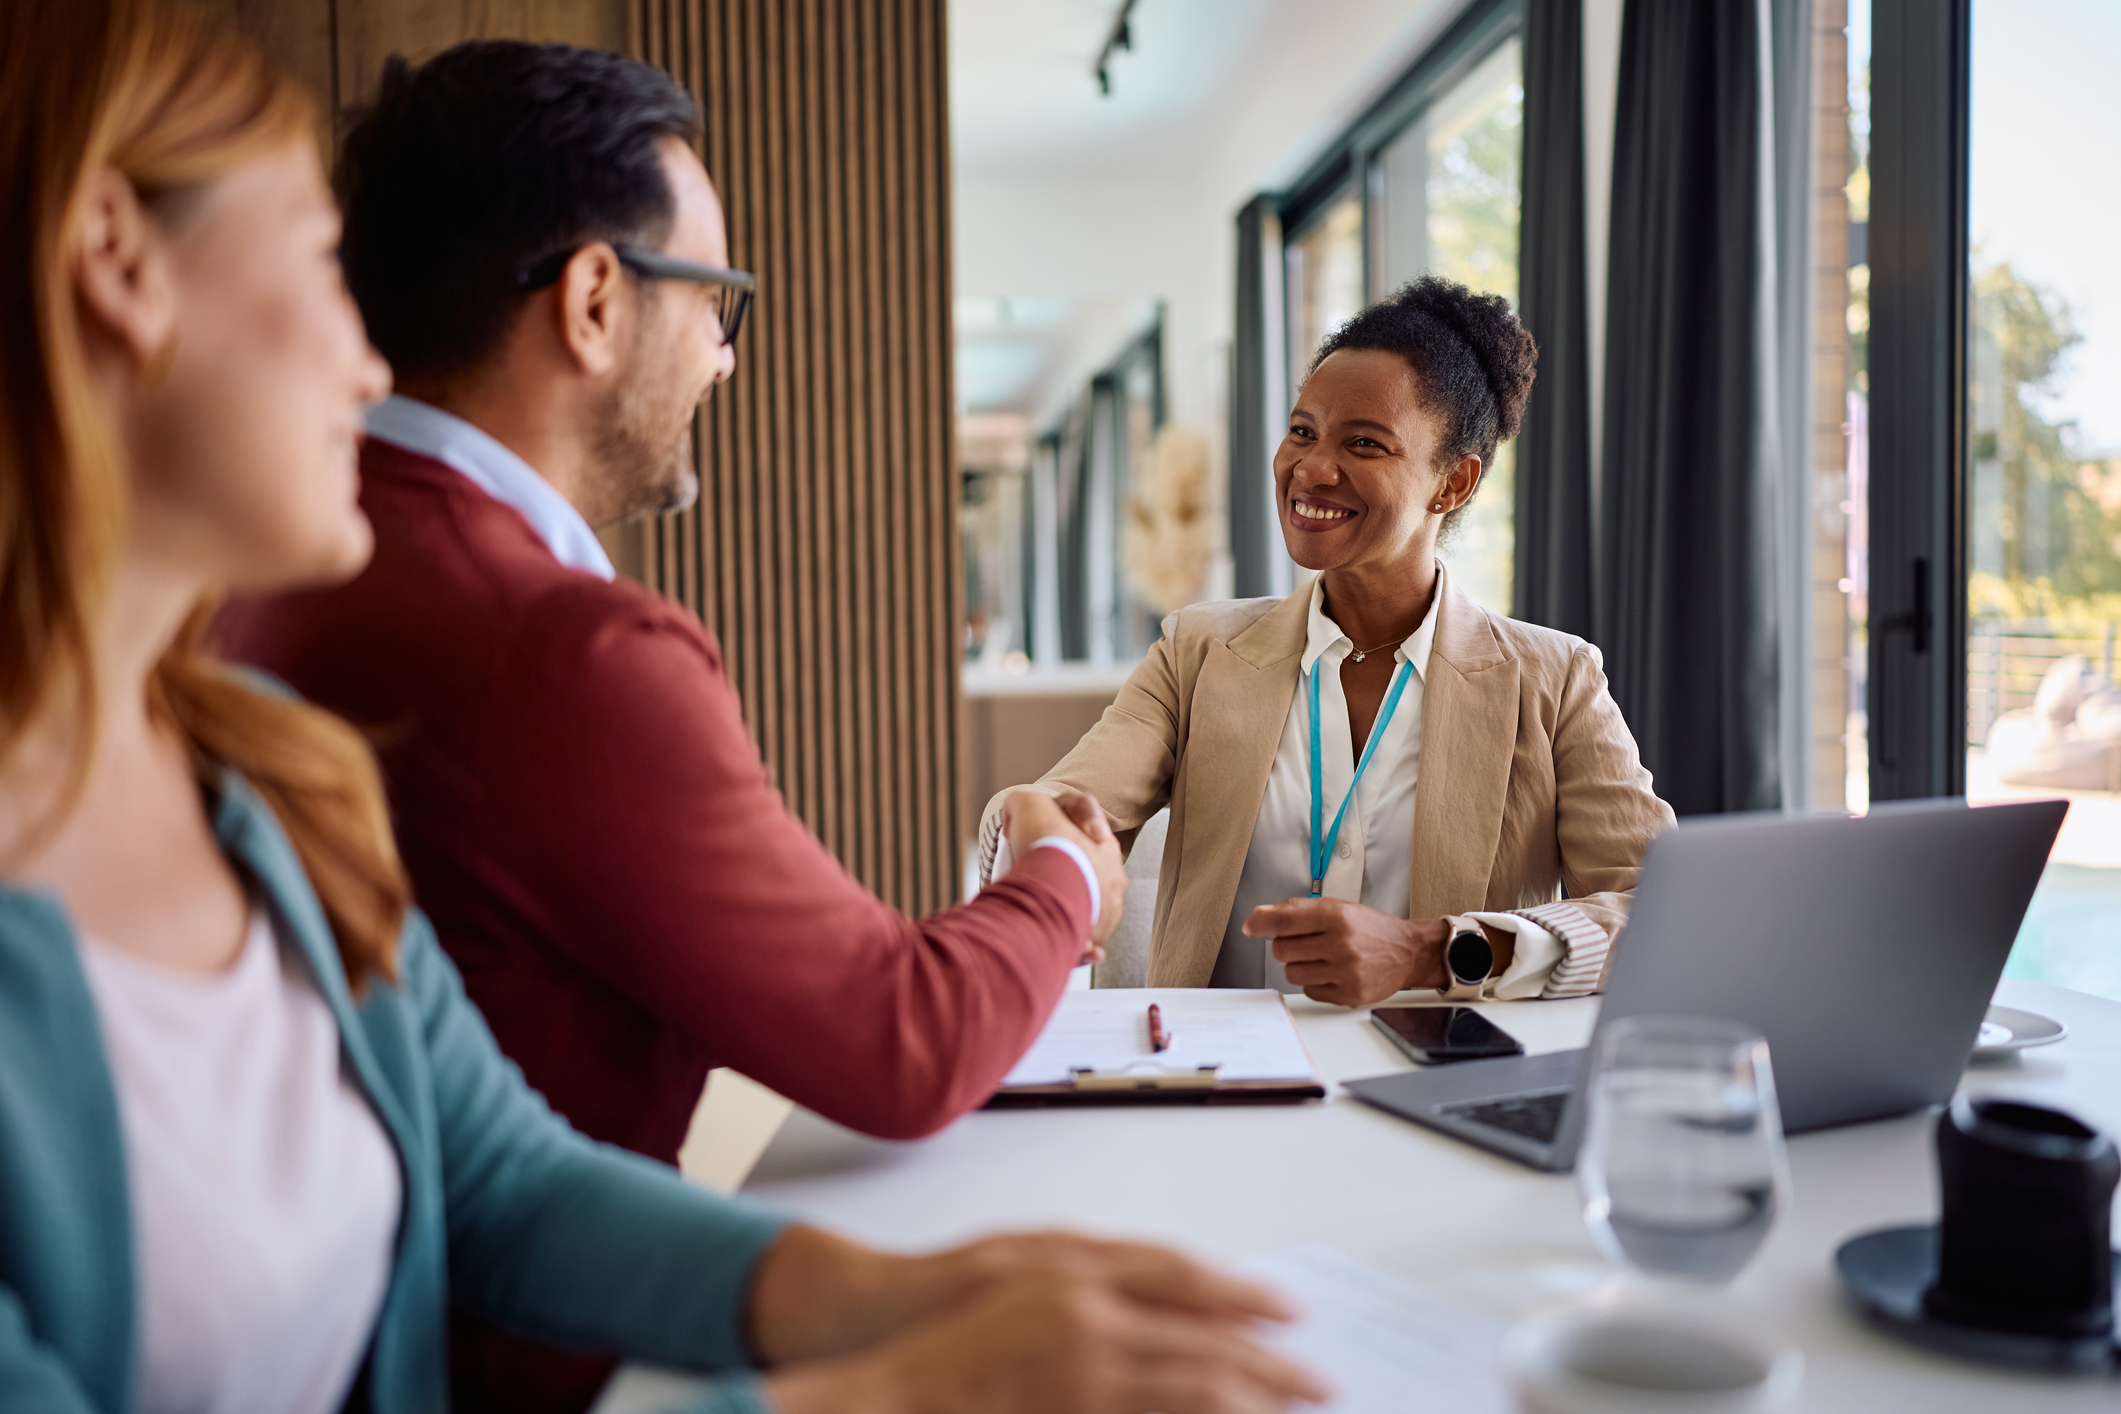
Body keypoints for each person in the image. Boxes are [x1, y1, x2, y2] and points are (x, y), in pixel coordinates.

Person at [0, 5, 1332, 1413]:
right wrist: (885, 1386)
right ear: (115, 265)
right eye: (320, 266)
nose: (361, 357)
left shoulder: (250, 767)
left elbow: (501, 1179)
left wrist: (914, 1289)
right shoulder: (546, 648)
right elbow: (900, 1035)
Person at [207, 38, 1143, 1410]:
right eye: (716, 301)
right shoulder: (561, 648)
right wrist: (1064, 875)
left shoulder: (259, 572)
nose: (721, 356)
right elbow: (904, 1038)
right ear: (593, 299)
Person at [980, 278, 1675, 1008]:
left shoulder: (1555, 680)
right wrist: (1040, 822)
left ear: (1452, 484)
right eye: (1301, 431)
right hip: (1222, 1089)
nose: (1309, 468)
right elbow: (1075, 800)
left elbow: (1658, 911)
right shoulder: (1197, 652)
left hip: (1439, 1088)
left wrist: (1431, 952)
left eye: (1364, 444)